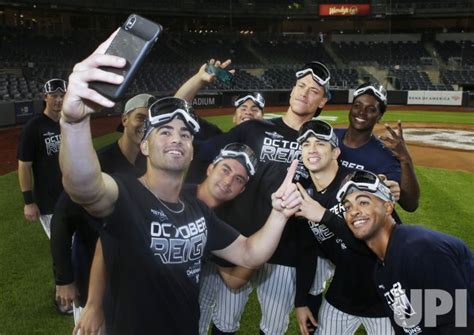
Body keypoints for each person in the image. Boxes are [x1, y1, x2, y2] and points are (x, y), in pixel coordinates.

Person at [59, 33, 302, 334]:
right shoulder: (125, 194)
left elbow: (249, 253)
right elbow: (83, 186)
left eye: (185, 135)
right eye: (164, 132)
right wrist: (73, 123)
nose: (177, 137)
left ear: (192, 154)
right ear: (145, 147)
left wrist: (279, 214)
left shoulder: (198, 211)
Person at [194, 61, 331, 335]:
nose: (304, 93)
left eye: (313, 90)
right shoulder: (254, 129)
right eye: (301, 86)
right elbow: (198, 151)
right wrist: (196, 83)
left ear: (323, 101)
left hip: (284, 254)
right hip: (237, 243)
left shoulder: (321, 145)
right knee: (224, 323)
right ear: (292, 90)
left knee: (273, 329)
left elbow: (337, 185)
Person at [51, 93, 152, 321]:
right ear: (125, 119)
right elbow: (62, 218)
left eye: (151, 121)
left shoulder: (150, 163)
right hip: (90, 264)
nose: (145, 125)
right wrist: (64, 279)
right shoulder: (98, 162)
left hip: (130, 268)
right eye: (140, 118)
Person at [292, 120, 399, 335]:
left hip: (385, 297)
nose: (312, 149)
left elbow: (388, 247)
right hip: (342, 297)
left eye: (321, 143)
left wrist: (324, 216)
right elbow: (306, 251)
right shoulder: (307, 196)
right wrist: (301, 301)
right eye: (306, 144)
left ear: (335, 152)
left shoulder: (360, 185)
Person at [337, 171, 474, 334]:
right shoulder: (381, 270)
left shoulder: (420, 251)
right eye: (347, 207)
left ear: (388, 207)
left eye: (364, 202)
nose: (354, 212)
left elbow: (458, 327)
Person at [175, 59, 265, 183]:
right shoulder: (212, 136)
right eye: (243, 108)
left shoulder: (268, 153)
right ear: (234, 118)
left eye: (255, 109)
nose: (248, 112)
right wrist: (199, 79)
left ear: (262, 118)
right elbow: (177, 110)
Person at [335, 83, 420, 212]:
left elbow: (410, 205)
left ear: (379, 117)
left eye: (371, 109)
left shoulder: (385, 155)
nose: (362, 112)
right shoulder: (329, 138)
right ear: (351, 108)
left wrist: (405, 159)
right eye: (357, 106)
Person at [17, 78, 67, 239]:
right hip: (48, 202)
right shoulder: (33, 127)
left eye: (62, 95)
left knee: (79, 247)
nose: (59, 100)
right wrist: (28, 202)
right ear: (45, 97)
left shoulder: (67, 123)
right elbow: (24, 166)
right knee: (62, 249)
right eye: (54, 95)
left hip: (71, 196)